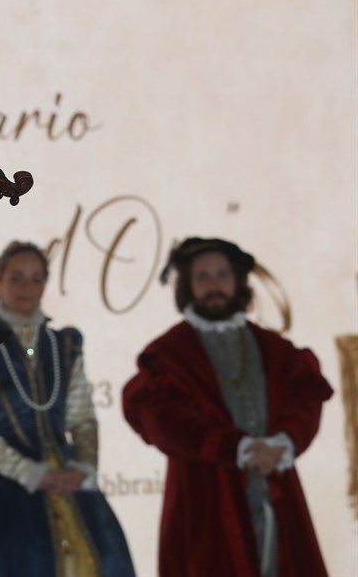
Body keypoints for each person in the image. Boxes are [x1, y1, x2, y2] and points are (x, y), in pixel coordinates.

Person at [122, 237, 332, 577]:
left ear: (238, 282)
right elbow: (159, 417)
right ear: (188, 286)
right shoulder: (169, 353)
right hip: (204, 498)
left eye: (222, 275)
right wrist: (234, 447)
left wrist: (285, 442)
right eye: (202, 276)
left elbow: (307, 395)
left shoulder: (273, 348)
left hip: (277, 491)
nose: (214, 285)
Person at [0, 241, 136, 577]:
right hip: (5, 485)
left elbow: (81, 416)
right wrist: (32, 474)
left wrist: (84, 467)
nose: (27, 287)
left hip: (68, 476)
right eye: (17, 277)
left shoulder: (64, 345)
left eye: (37, 279)